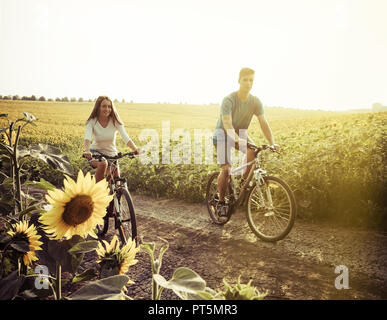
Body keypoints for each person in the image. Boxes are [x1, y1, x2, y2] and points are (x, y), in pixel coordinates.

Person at [212, 68, 279, 220]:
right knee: (227, 169)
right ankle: (221, 202)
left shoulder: (255, 101)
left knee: (253, 151)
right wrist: (236, 138)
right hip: (222, 135)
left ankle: (243, 184)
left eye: (251, 80)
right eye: (245, 80)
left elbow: (263, 122)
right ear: (239, 80)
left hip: (240, 135)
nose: (248, 83)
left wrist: (272, 143)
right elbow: (227, 123)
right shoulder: (229, 99)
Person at [83, 96, 140, 182]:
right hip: (95, 153)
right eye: (104, 106)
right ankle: (97, 190)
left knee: (116, 183)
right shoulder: (92, 121)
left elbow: (126, 138)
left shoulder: (115, 121)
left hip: (112, 154)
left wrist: (135, 149)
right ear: (98, 107)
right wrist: (87, 150)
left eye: (109, 106)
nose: (107, 109)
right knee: (103, 164)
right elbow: (87, 138)